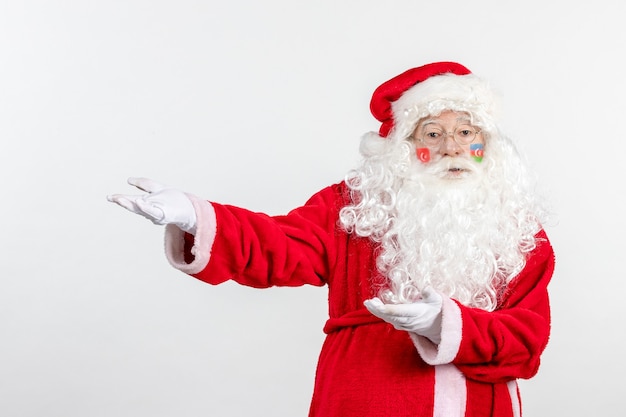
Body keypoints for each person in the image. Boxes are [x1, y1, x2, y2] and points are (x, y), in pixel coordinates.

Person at [108, 61, 555, 417]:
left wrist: (447, 326)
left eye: (465, 131)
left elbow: (527, 340)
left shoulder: (516, 228)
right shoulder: (356, 207)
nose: (452, 147)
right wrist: (197, 216)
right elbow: (278, 246)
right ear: (404, 146)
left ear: (486, 142)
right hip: (366, 398)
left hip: (479, 406)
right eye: (433, 134)